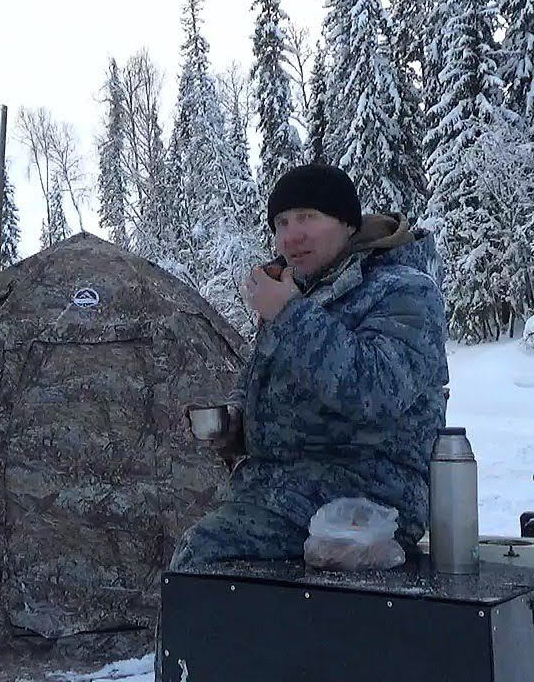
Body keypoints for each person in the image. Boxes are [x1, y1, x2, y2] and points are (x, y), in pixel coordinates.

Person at [170, 163, 449, 570]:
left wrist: (288, 315)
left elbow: (378, 391)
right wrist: (235, 424)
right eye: (281, 222)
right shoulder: (302, 295)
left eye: (307, 217)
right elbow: (259, 384)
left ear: (347, 224)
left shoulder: (404, 289)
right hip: (289, 491)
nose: (291, 236)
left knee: (205, 551)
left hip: (368, 501)